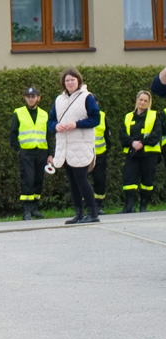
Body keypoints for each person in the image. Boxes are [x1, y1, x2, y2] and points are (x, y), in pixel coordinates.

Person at [46, 67, 101, 224]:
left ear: (79, 80)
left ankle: (93, 213)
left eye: (72, 79)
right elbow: (50, 122)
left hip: (81, 145)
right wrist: (56, 126)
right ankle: (79, 213)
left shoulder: (87, 97)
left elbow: (95, 119)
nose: (70, 82)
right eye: (67, 80)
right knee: (72, 181)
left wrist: (76, 124)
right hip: (65, 146)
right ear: (63, 83)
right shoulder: (59, 100)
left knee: (81, 179)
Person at [9, 86, 52, 220]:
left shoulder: (45, 114)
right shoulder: (19, 113)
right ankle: (26, 210)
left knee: (39, 179)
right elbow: (13, 133)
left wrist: (51, 154)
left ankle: (34, 208)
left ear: (38, 98)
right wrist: (18, 150)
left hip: (41, 151)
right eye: (28, 97)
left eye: (33, 96)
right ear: (25, 98)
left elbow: (49, 135)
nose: (31, 99)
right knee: (28, 179)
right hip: (26, 151)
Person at [119, 90, 162, 213]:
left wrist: (142, 143)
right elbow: (122, 134)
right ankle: (129, 206)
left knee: (147, 181)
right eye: (140, 100)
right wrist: (132, 142)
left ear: (149, 103)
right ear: (136, 100)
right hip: (133, 153)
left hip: (149, 154)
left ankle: (143, 205)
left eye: (145, 101)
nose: (142, 102)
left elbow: (156, 134)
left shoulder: (154, 115)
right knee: (128, 179)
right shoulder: (128, 116)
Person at [89, 93, 112, 214]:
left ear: (97, 103)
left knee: (99, 180)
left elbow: (107, 135)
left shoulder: (102, 116)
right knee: (83, 180)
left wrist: (106, 151)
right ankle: (85, 205)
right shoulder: (81, 115)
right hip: (85, 155)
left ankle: (98, 205)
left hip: (100, 154)